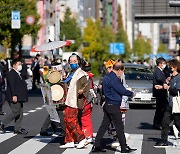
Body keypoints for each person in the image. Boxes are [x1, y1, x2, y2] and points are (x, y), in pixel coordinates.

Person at [92, 63, 137, 153]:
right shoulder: (114, 78)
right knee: (119, 127)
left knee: (104, 126)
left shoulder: (107, 77)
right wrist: (131, 94)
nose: (122, 74)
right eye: (122, 72)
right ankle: (124, 147)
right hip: (113, 105)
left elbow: (104, 91)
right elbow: (121, 89)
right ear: (119, 70)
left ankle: (96, 145)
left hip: (108, 104)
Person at [59, 53, 89, 149]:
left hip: (74, 101)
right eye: (71, 61)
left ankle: (81, 138)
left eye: (74, 61)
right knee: (66, 121)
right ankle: (69, 140)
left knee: (72, 121)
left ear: (78, 62)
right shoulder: (70, 73)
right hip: (68, 100)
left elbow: (86, 86)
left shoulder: (81, 73)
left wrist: (82, 91)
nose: (72, 63)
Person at [154, 59, 180, 148]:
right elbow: (169, 87)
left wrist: (167, 87)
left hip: (176, 105)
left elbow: (176, 91)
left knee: (178, 123)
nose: (169, 67)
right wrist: (161, 87)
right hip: (170, 104)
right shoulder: (171, 77)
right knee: (164, 122)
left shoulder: (179, 77)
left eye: (171, 66)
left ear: (176, 67)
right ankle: (164, 141)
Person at [0, 59, 28, 134]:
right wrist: (14, 95)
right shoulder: (11, 73)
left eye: (21, 64)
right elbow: (12, 86)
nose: (20, 66)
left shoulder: (18, 73)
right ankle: (2, 124)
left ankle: (17, 128)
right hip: (14, 96)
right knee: (16, 112)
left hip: (20, 96)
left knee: (20, 112)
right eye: (19, 64)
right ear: (14, 65)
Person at [153, 57, 168, 130]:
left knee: (161, 108)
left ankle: (158, 122)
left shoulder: (161, 70)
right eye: (163, 63)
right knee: (160, 108)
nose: (164, 65)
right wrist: (165, 81)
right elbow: (159, 79)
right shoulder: (157, 70)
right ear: (159, 64)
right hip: (159, 92)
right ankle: (158, 123)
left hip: (161, 91)